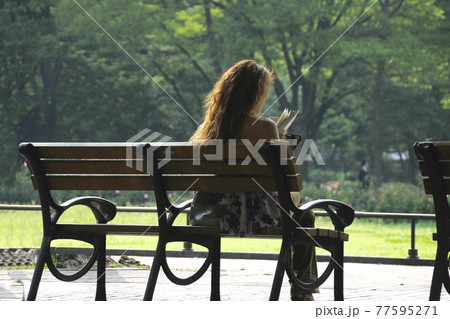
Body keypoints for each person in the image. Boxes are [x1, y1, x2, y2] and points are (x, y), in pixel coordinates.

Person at [189, 60, 318, 301]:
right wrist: (280, 141)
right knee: (304, 215)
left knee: (299, 211)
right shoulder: (265, 126)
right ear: (256, 93)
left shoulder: (209, 129)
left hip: (214, 211)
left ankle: (302, 286)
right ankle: (302, 287)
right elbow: (278, 180)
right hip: (254, 213)